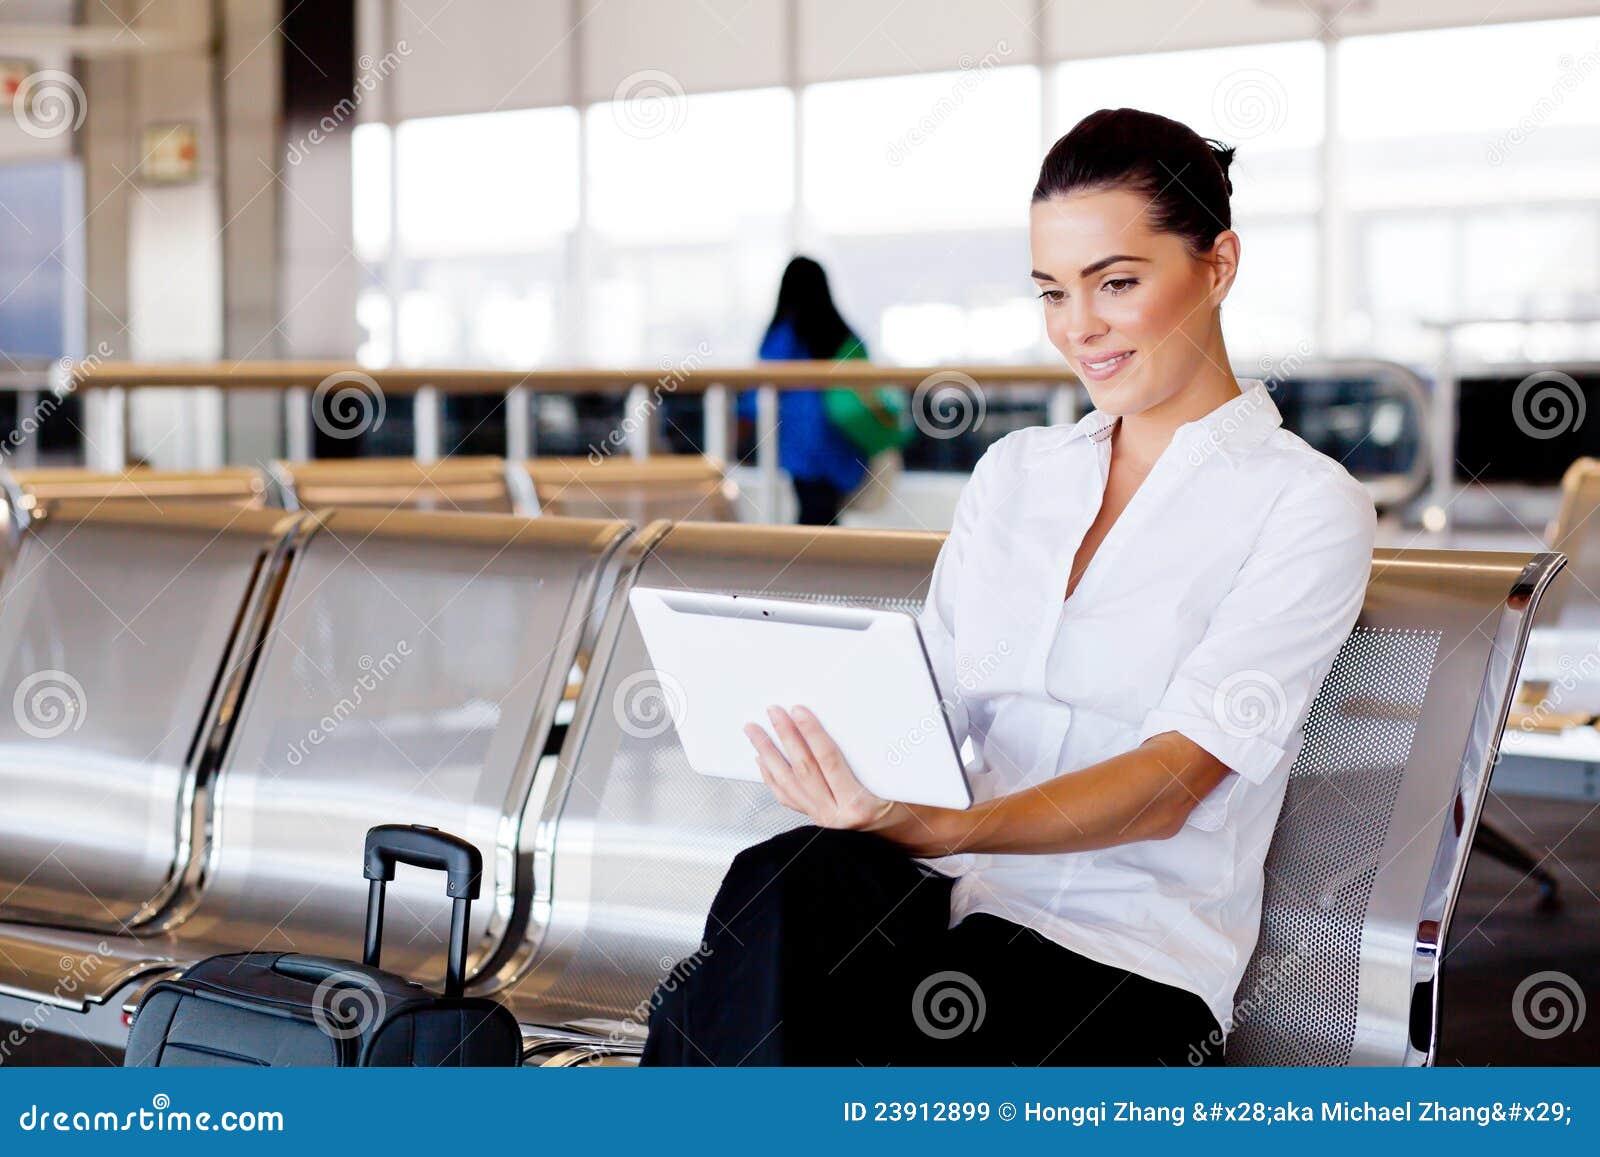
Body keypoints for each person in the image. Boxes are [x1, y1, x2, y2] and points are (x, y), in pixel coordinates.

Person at [641, 107, 1377, 1066]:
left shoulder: (1304, 504)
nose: (1081, 328)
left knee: (846, 1033)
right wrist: (838, 751)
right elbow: (934, 698)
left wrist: (952, 822)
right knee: (787, 880)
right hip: (944, 890)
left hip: (1119, 952)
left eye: (1117, 282)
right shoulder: (1020, 474)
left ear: (1218, 265)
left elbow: (1170, 783)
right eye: (1053, 291)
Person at [738, 257, 872, 526]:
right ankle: (829, 564)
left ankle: (817, 567)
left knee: (812, 518)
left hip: (804, 447)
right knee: (826, 516)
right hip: (844, 440)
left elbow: (755, 398)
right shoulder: (844, 333)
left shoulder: (784, 336)